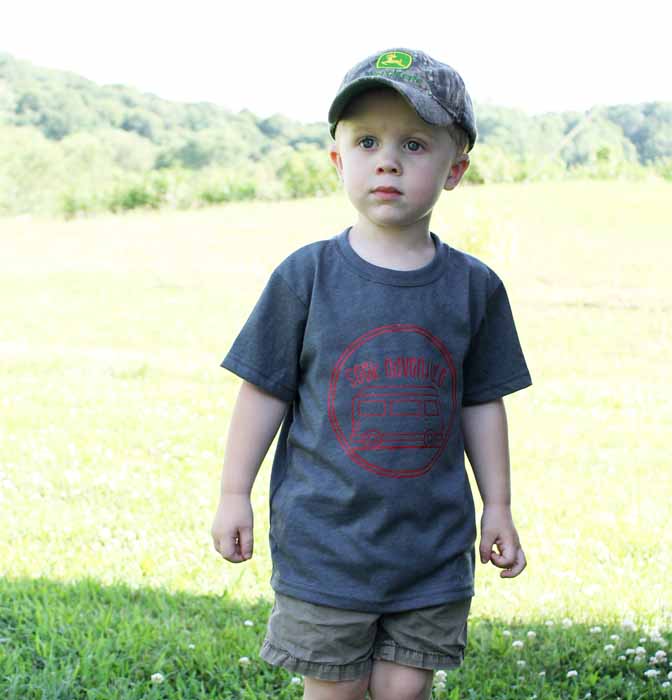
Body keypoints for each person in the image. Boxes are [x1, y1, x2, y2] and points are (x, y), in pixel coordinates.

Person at [211, 47, 533, 700]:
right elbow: (263, 391)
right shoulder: (305, 277)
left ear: (455, 170)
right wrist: (232, 492)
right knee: (333, 692)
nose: (387, 159)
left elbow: (481, 403)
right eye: (366, 140)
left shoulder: (475, 289)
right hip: (325, 545)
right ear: (338, 161)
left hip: (431, 550)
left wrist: (496, 505)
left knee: (404, 691)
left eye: (414, 144)